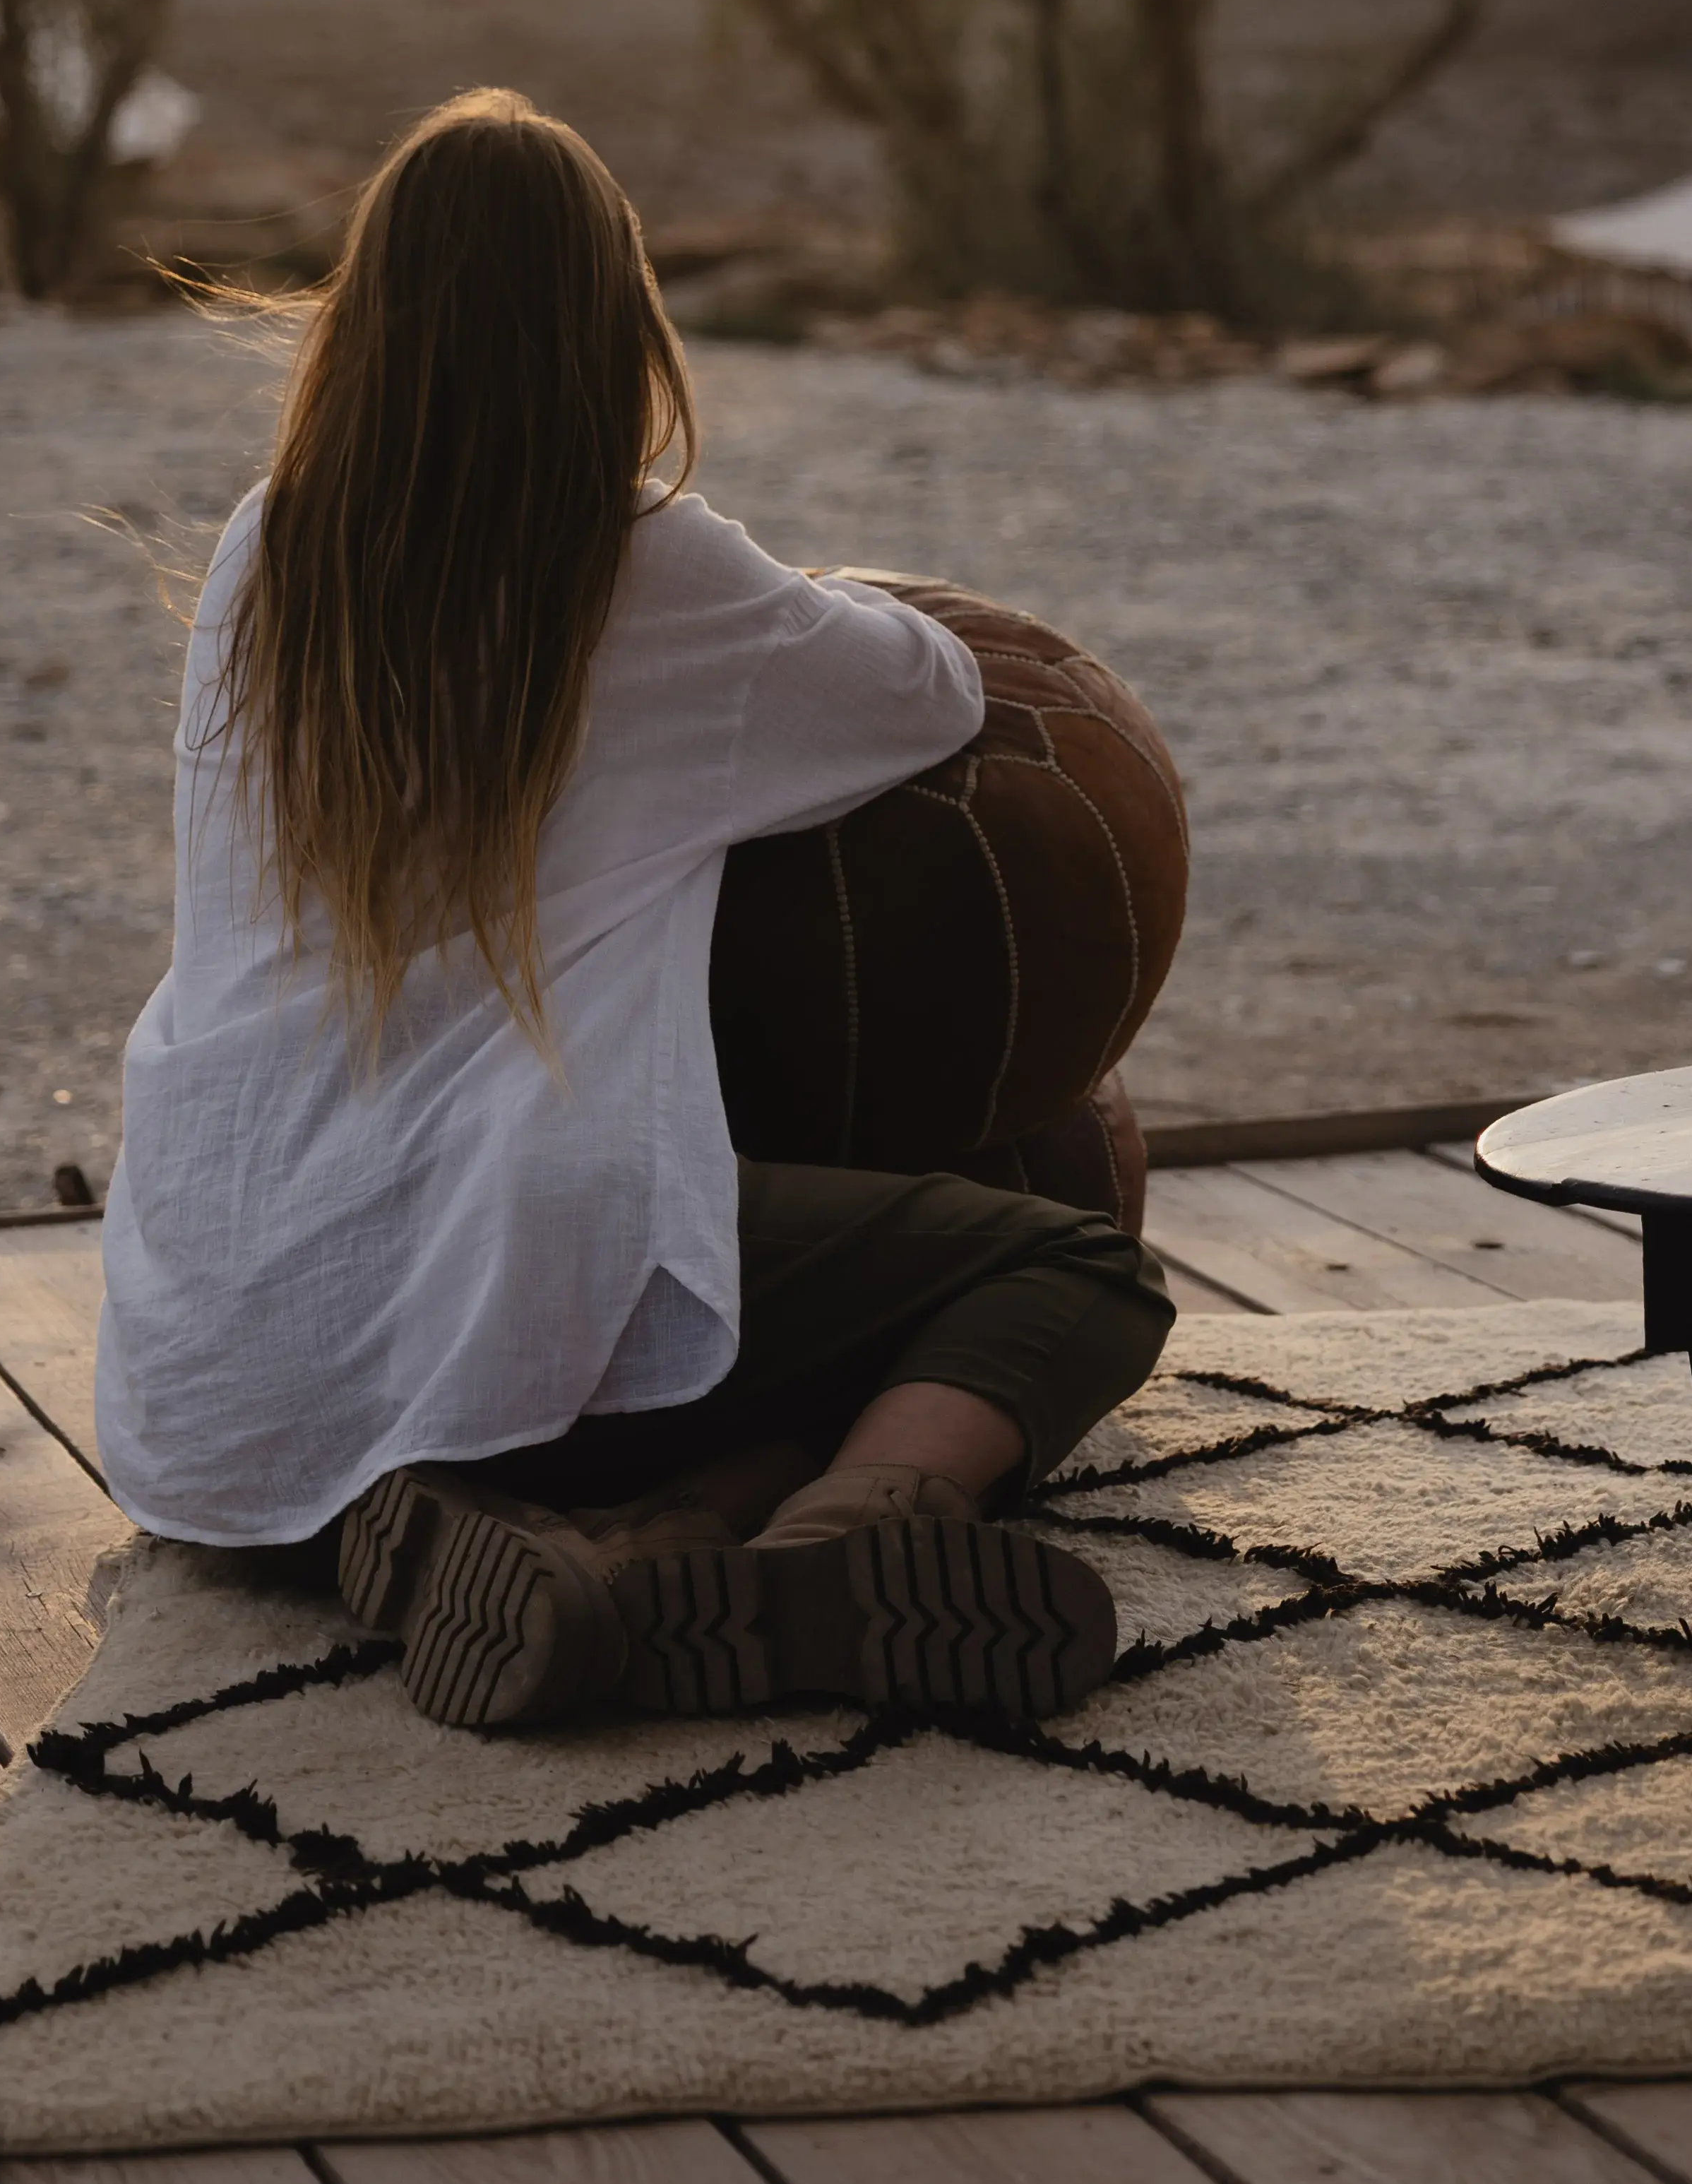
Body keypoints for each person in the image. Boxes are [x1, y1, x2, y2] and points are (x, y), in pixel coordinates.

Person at [96, 90, 1173, 1732]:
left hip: (213, 1376)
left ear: (363, 316)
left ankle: (614, 1540)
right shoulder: (646, 563)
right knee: (1072, 1274)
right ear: (615, 320)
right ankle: (828, 1539)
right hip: (503, 1295)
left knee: (721, 1305)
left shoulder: (263, 557)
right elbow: (930, 687)